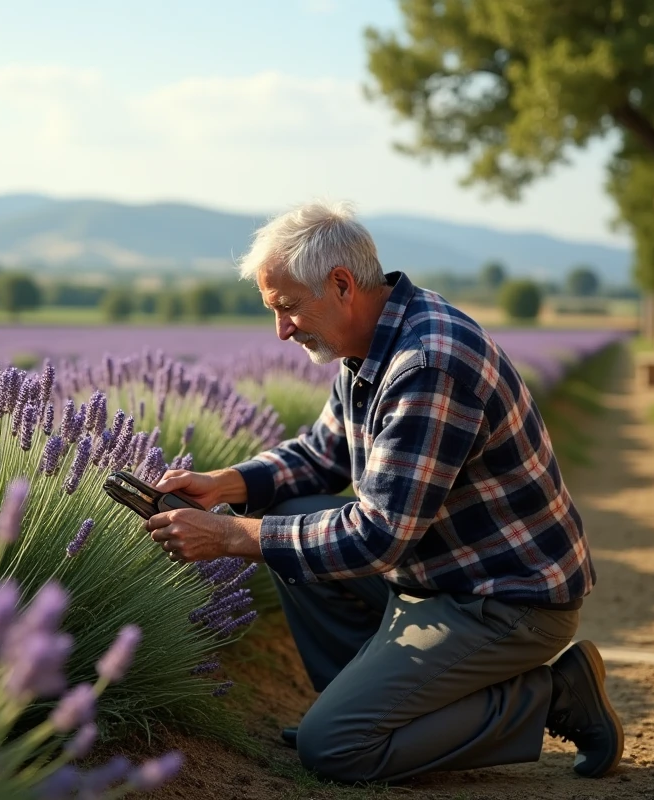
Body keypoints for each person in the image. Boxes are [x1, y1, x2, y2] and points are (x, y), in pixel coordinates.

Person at [145, 200, 624, 785]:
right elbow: (324, 454)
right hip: (441, 574)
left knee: (334, 750)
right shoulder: (370, 343)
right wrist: (229, 484)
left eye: (288, 307)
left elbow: (377, 538)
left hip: (506, 602)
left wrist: (229, 534)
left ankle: (553, 695)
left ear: (342, 284)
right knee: (291, 512)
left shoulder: (426, 364)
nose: (282, 329)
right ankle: (367, 705)